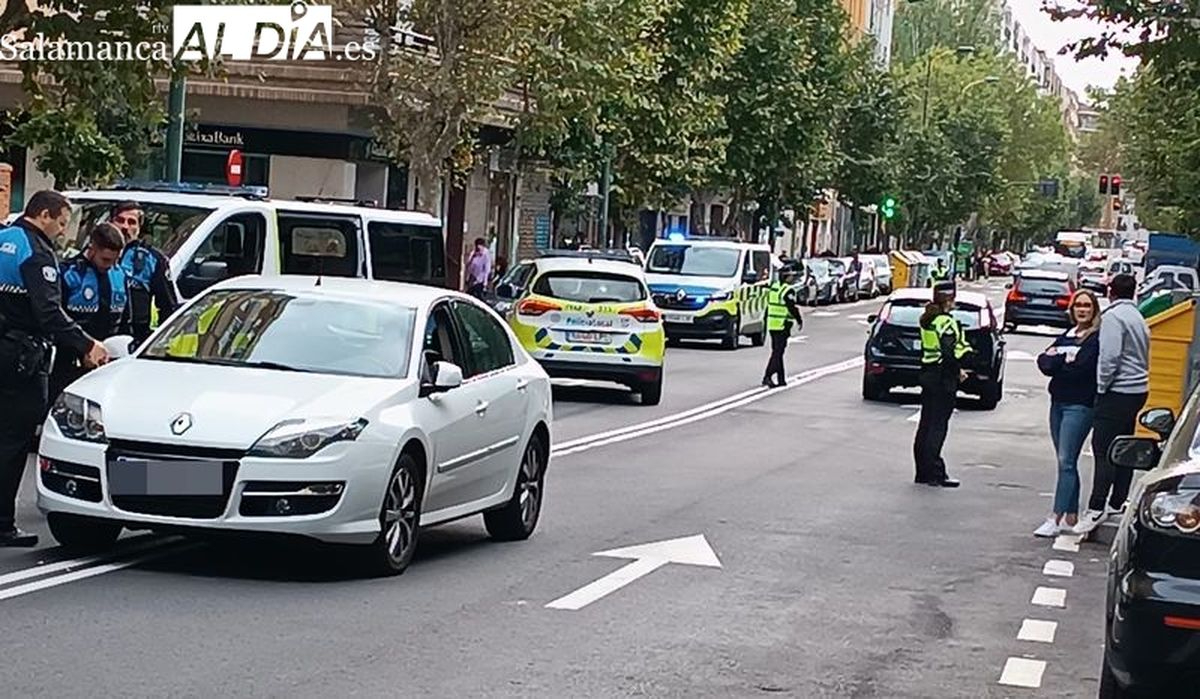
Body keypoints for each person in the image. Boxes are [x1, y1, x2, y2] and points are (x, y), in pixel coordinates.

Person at [0, 191, 109, 547]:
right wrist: (85, 344)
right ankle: (2, 522)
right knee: (14, 439)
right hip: (19, 356)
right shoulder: (37, 252)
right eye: (62, 222)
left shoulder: (3, 239)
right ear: (43, 215)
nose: (63, 231)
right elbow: (47, 312)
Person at [1074, 274, 1150, 535]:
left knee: (1104, 450)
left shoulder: (1113, 318)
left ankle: (1096, 507)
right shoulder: (1137, 317)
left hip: (1117, 391)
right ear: (1134, 291)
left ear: (1110, 291)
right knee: (1124, 447)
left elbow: (1110, 356)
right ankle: (1118, 501)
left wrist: (1101, 386)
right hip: (1138, 390)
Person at [1034, 289, 1102, 537]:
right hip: (1058, 402)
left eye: (1087, 305)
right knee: (1066, 461)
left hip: (1080, 405)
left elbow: (1083, 369)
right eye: (1078, 305)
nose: (1082, 310)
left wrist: (1059, 362)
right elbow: (1043, 362)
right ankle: (1071, 515)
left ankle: (1055, 516)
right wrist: (1063, 361)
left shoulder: (1095, 339)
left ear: (1094, 309)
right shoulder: (1067, 335)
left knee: (1066, 461)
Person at [50, 223, 129, 403]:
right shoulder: (68, 273)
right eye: (105, 260)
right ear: (92, 248)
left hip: (109, 363)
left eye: (115, 260)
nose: (110, 266)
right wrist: (83, 350)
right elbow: (55, 320)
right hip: (69, 361)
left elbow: (125, 322)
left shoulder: (119, 275)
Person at [913, 281, 972, 488]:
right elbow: (948, 350)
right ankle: (935, 473)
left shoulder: (928, 319)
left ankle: (922, 471)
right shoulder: (946, 322)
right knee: (938, 426)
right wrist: (958, 371)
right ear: (949, 300)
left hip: (928, 373)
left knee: (926, 424)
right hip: (942, 377)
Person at [112, 201, 178, 346]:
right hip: (100, 337)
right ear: (111, 222)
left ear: (139, 227)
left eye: (131, 222)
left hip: (136, 339)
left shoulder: (152, 259)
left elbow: (167, 306)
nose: (125, 227)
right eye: (120, 220)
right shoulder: (94, 252)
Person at [762, 262, 803, 388]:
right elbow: (791, 307)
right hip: (782, 324)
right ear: (787, 277)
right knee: (778, 352)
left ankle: (781, 378)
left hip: (772, 324)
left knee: (777, 351)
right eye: (791, 276)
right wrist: (799, 319)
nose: (793, 278)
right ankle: (767, 376)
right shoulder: (787, 290)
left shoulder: (774, 287)